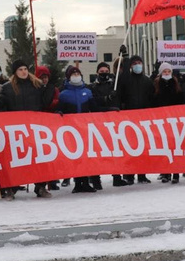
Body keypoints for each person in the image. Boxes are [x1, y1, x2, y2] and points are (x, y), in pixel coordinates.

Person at [0, 58, 56, 200]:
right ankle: (11, 188)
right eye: (20, 69)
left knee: (39, 159)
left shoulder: (37, 85)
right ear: (15, 72)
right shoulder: (8, 88)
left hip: (34, 128)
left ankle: (40, 186)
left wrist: (50, 86)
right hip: (16, 130)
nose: (24, 72)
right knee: (16, 159)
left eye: (25, 69)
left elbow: (46, 103)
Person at [58, 65, 99, 193]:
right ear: (68, 77)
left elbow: (95, 109)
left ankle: (85, 182)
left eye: (77, 74)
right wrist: (58, 112)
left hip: (85, 129)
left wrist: (110, 109)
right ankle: (77, 182)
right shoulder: (63, 94)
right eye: (73, 74)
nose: (76, 76)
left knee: (85, 156)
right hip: (71, 130)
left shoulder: (87, 92)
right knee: (75, 157)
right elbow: (59, 110)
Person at [116, 54, 155, 185]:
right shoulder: (126, 80)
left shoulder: (147, 81)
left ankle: (142, 174)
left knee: (143, 148)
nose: (137, 65)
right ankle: (129, 174)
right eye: (134, 63)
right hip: (128, 119)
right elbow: (120, 91)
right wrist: (126, 59)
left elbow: (152, 98)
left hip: (143, 119)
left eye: (139, 63)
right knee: (130, 147)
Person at [89, 61, 122, 189]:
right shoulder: (92, 87)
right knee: (97, 151)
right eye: (101, 72)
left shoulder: (114, 85)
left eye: (106, 71)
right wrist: (106, 100)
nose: (104, 73)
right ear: (97, 72)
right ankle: (96, 180)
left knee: (115, 149)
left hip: (113, 122)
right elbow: (93, 103)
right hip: (98, 122)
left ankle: (117, 177)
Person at [152, 62, 184, 184]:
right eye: (164, 72)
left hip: (174, 121)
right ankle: (165, 173)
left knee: (174, 147)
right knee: (163, 147)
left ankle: (175, 173)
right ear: (161, 73)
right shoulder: (156, 85)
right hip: (161, 121)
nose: (166, 73)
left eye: (168, 71)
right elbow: (153, 101)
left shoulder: (176, 85)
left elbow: (181, 100)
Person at [34, 65, 63, 190]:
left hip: (51, 124)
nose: (44, 79)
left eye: (46, 77)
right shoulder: (34, 89)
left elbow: (57, 101)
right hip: (38, 124)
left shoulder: (53, 89)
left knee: (52, 152)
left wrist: (56, 108)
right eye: (42, 77)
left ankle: (52, 180)